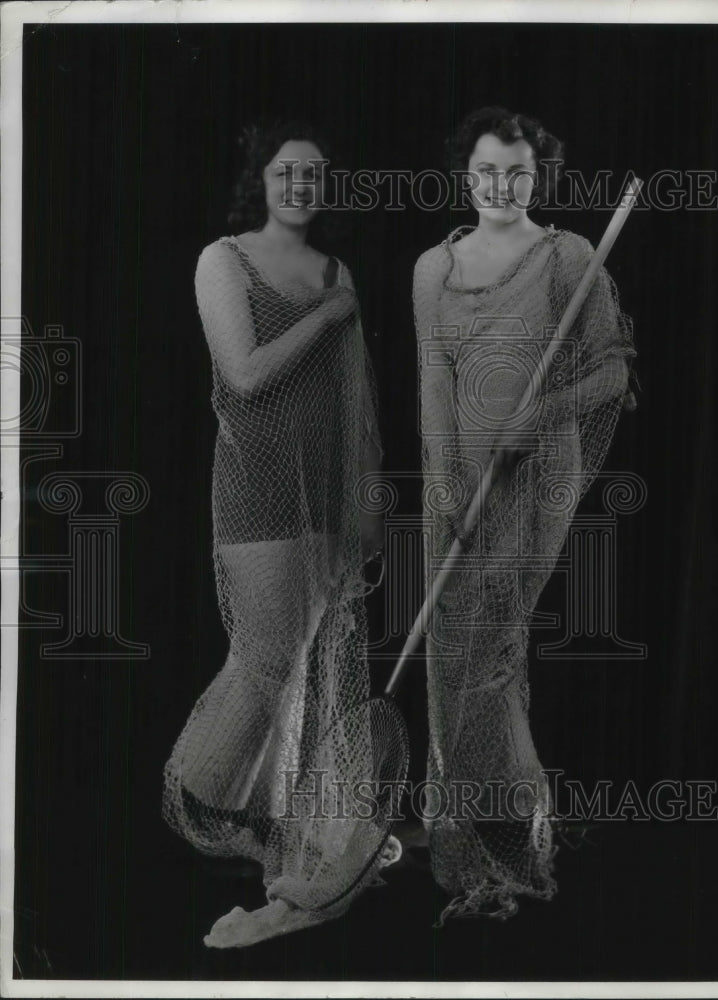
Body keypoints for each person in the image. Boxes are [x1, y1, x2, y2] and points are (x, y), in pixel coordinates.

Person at [163, 119, 401, 948]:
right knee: (266, 660)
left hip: (328, 498)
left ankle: (286, 850)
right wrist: (333, 314)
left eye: (314, 174)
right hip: (258, 493)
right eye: (285, 172)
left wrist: (368, 507)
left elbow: (356, 405)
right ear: (260, 180)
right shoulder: (223, 260)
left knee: (308, 670)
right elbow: (246, 374)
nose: (300, 185)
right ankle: (203, 802)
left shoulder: (338, 270)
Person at [413, 107, 636, 924]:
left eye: (515, 171)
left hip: (538, 475)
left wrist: (534, 419)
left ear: (537, 174)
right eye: (484, 172)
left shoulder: (568, 256)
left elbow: (610, 376)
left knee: (492, 651)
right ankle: (467, 845)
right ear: (463, 174)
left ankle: (517, 841)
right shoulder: (430, 268)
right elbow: (433, 390)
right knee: (448, 654)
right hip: (458, 481)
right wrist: (445, 491)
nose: (499, 186)